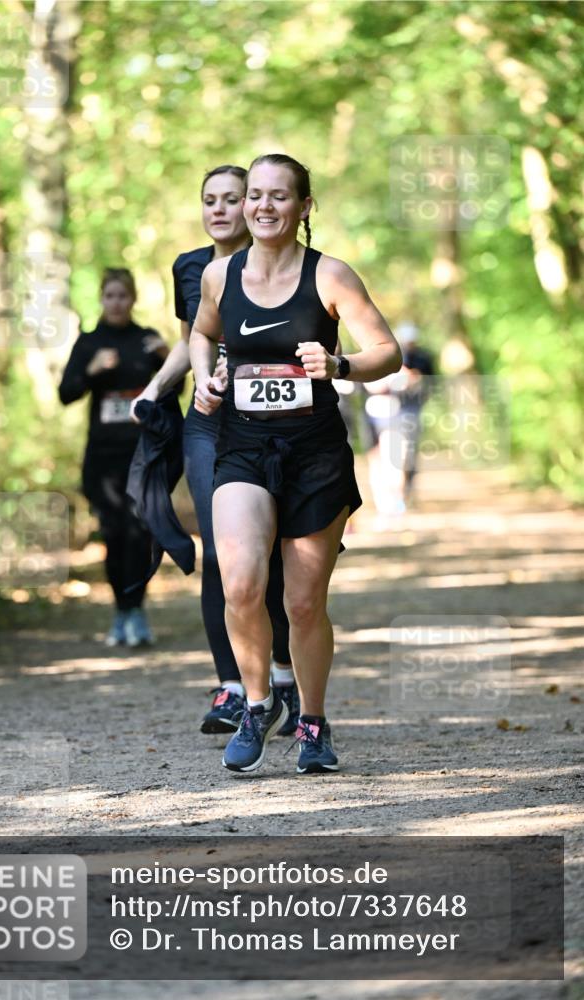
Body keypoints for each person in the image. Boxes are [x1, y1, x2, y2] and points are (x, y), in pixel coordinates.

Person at [190, 153, 401, 774]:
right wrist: (207, 379)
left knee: (305, 603)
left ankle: (312, 720)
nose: (262, 207)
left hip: (314, 452)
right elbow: (201, 333)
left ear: (304, 206)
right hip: (243, 445)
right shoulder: (220, 276)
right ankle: (256, 704)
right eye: (255, 194)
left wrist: (340, 366)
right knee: (241, 583)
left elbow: (386, 352)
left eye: (280, 196)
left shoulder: (330, 275)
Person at [134, 166, 297, 735]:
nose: (221, 210)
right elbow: (190, 341)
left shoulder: (284, 260)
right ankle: (232, 687)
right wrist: (155, 389)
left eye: (233, 199)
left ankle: (284, 676)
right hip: (206, 422)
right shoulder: (189, 267)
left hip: (270, 421)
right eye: (210, 201)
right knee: (224, 550)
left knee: (273, 553)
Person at [59, 267, 168, 647]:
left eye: (123, 296)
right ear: (102, 299)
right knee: (115, 533)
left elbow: (178, 388)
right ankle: (121, 612)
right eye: (110, 296)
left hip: (143, 455)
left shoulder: (146, 340)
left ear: (133, 298)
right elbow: (66, 392)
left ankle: (136, 610)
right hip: (102, 460)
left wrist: (166, 356)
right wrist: (92, 370)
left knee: (141, 531)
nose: (117, 303)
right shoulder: (90, 343)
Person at [363, 321, 435, 521]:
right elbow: (368, 386)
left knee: (397, 457)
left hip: (401, 414)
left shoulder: (421, 359)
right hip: (374, 415)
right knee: (378, 459)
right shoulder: (371, 357)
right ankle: (384, 504)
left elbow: (427, 384)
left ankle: (398, 499)